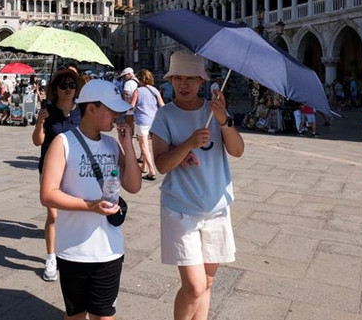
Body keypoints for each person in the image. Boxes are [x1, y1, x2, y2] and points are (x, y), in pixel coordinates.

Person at [151, 52, 244, 320]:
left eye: (190, 78)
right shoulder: (164, 115)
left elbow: (237, 150)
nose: (183, 84)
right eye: (178, 78)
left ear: (201, 81)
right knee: (194, 286)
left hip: (216, 207)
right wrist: (188, 145)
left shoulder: (213, 111)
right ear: (170, 80)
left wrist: (224, 120)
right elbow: (161, 164)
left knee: (208, 284)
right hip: (181, 209)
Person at [40, 79, 141, 320]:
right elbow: (48, 194)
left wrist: (128, 146)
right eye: (111, 109)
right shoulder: (63, 142)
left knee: (104, 316)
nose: (117, 115)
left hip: (110, 248)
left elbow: (134, 186)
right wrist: (90, 206)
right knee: (75, 315)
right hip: (74, 249)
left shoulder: (112, 144)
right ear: (92, 108)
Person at [32, 68, 83, 282]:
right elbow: (37, 141)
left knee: (73, 214)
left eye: (72, 85)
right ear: (56, 89)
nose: (68, 89)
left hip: (74, 168)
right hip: (50, 169)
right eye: (63, 85)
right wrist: (39, 122)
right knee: (53, 215)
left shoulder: (82, 111)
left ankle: (73, 255)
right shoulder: (47, 110)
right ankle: (51, 257)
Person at [130, 69, 164, 181]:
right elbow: (162, 105)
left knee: (144, 147)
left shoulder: (137, 91)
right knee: (147, 146)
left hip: (142, 121)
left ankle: (151, 171)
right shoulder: (155, 90)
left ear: (140, 79)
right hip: (153, 121)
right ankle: (143, 167)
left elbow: (131, 106)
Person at [118, 67, 139, 132]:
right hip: (138, 106)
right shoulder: (138, 81)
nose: (124, 78)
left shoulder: (128, 83)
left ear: (129, 74)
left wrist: (125, 106)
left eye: (125, 76)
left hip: (130, 107)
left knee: (128, 126)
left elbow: (126, 95)